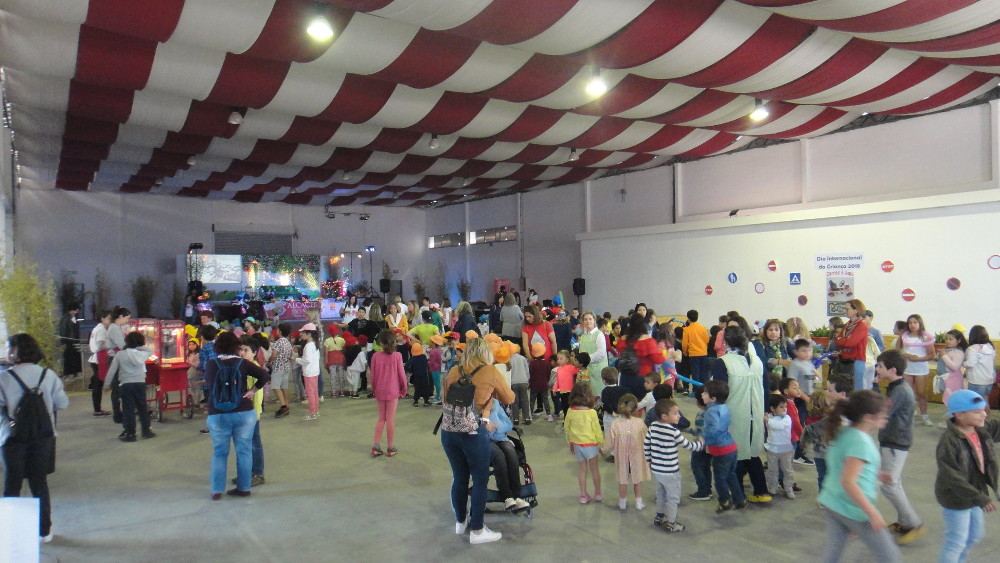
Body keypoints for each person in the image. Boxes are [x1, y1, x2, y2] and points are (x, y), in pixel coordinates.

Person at [440, 337, 514, 545]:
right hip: (474, 432)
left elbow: (445, 399)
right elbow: (509, 398)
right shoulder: (490, 371)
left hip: (449, 432)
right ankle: (478, 531)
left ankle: (460, 522)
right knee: (480, 480)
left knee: (459, 477)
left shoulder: (454, 371)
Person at [0, 333, 69, 543]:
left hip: (12, 438)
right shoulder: (48, 375)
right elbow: (63, 403)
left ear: (14, 351)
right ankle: (44, 531)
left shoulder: (3, 378)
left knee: (12, 482)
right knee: (39, 482)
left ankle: (11, 531)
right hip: (43, 437)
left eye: (8, 348)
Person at [818, 390, 901, 563]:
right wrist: (872, 513)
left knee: (832, 554)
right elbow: (848, 481)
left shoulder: (845, 433)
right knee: (891, 557)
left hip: (833, 501)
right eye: (883, 415)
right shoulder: (861, 442)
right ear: (868, 417)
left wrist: (876, 473)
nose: (886, 417)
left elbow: (844, 464)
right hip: (853, 509)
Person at [203, 331, 270, 500]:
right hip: (244, 412)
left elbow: (209, 385)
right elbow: (264, 375)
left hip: (218, 414)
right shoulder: (243, 363)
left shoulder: (211, 364)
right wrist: (252, 391)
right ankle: (244, 487)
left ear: (217, 347)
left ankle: (217, 490)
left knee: (219, 452)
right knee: (244, 451)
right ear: (237, 347)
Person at [935, 389, 1000, 563]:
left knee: (975, 535)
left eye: (983, 410)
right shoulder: (949, 441)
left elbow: (997, 427)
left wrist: (977, 496)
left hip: (973, 493)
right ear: (959, 415)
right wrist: (980, 498)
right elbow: (952, 476)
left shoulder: (980, 430)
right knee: (956, 542)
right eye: (977, 411)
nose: (984, 414)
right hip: (956, 497)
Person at [711, 326, 770, 503]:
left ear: (726, 342)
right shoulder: (757, 361)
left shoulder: (723, 362)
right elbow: (766, 387)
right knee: (752, 453)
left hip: (734, 415)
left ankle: (738, 494)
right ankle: (761, 491)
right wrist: (764, 410)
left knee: (735, 453)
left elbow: (719, 393)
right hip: (756, 412)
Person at [875, 349, 925, 544]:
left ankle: (914, 523)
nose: (877, 369)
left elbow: (882, 413)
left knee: (889, 485)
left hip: (896, 443)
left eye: (880, 366)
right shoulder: (895, 387)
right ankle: (905, 521)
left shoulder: (900, 391)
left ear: (893, 369)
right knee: (894, 483)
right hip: (891, 441)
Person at [644, 399, 704, 533]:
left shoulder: (653, 426)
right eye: (676, 413)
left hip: (657, 470)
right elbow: (689, 446)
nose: (679, 416)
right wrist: (701, 443)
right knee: (673, 498)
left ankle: (659, 517)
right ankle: (671, 523)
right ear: (665, 416)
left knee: (660, 494)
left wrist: (649, 460)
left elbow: (646, 444)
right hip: (671, 472)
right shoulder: (673, 432)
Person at [104, 331, 156, 442]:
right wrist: (139, 345)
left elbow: (112, 371)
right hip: (140, 384)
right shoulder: (141, 354)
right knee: (142, 408)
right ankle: (146, 431)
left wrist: (107, 384)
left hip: (126, 384)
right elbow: (150, 350)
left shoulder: (120, 354)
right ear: (140, 342)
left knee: (128, 409)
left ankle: (130, 434)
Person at [602, 393, 651, 511]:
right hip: (637, 456)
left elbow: (610, 441)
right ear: (635, 408)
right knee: (637, 479)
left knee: (622, 480)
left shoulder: (615, 424)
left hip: (622, 457)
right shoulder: (640, 423)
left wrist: (603, 450)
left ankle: (622, 502)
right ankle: (638, 502)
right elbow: (647, 439)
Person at [486, 399, 531, 513]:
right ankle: (507, 497)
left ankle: (516, 496)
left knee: (511, 452)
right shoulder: (474, 404)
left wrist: (497, 427)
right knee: (499, 456)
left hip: (500, 437)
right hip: (484, 440)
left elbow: (508, 424)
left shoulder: (495, 403)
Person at [370, 329, 408, 457]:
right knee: (390, 418)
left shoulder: (375, 356)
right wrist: (404, 388)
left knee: (381, 418)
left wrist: (374, 389)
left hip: (380, 390)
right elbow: (402, 375)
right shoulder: (397, 356)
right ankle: (390, 447)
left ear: (381, 343)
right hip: (393, 391)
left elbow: (373, 376)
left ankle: (376, 446)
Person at [565, 381, 603, 504]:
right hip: (591, 445)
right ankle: (597, 493)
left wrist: (570, 442)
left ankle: (583, 495)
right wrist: (601, 443)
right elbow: (597, 429)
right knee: (594, 469)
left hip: (577, 444)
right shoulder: (591, 412)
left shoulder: (570, 411)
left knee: (582, 470)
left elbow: (567, 428)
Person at [895, 313, 935, 425]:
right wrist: (906, 355)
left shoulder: (926, 337)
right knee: (908, 393)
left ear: (920, 323)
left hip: (920, 369)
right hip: (907, 368)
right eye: (910, 323)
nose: (912, 325)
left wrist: (919, 359)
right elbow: (897, 351)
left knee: (921, 393)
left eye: (915, 322)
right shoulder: (904, 337)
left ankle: (924, 415)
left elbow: (932, 355)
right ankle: (909, 413)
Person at [238, 335, 266, 487]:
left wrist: (255, 414)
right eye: (241, 350)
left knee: (255, 443)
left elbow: (257, 393)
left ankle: (258, 473)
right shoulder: (245, 366)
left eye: (246, 350)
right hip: (245, 412)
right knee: (246, 444)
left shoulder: (253, 368)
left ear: (254, 352)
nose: (242, 353)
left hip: (252, 413)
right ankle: (248, 473)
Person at [764, 395, 796, 499]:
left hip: (785, 450)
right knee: (772, 470)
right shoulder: (770, 416)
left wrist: (767, 420)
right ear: (773, 408)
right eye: (781, 407)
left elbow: (778, 426)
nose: (784, 409)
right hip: (772, 449)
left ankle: (788, 487)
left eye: (785, 406)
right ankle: (773, 486)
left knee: (787, 470)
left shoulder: (787, 418)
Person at [834, 299, 869, 391]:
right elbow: (837, 340)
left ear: (856, 310)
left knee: (855, 389)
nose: (845, 311)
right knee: (843, 388)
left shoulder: (861, 326)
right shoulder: (847, 325)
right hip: (844, 360)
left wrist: (842, 340)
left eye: (847, 308)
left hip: (856, 360)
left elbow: (851, 343)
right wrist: (843, 340)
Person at [105, 306, 131, 423]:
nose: (127, 321)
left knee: (117, 388)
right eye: (127, 318)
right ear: (120, 316)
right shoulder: (114, 328)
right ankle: (117, 414)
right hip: (115, 358)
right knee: (117, 389)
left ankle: (118, 413)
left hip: (115, 357)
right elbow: (122, 346)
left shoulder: (114, 327)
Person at [937, 329, 968, 424]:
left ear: (958, 341)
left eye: (951, 339)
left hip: (953, 380)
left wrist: (944, 355)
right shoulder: (947, 350)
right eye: (946, 339)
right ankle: (952, 421)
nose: (948, 341)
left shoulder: (959, 352)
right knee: (948, 402)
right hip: (944, 378)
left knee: (953, 401)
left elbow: (954, 367)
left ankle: (955, 422)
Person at [964, 325, 996, 413]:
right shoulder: (990, 347)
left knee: (976, 404)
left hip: (977, 380)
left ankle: (977, 423)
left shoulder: (973, 348)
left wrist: (963, 363)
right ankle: (985, 422)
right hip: (989, 380)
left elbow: (970, 363)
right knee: (985, 401)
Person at [577, 311, 608, 397]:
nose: (588, 321)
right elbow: (581, 351)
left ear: (594, 320)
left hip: (598, 370)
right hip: (586, 370)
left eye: (590, 319)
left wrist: (587, 359)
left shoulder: (599, 335)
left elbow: (601, 352)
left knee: (598, 394)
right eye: (585, 319)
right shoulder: (583, 336)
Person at [87, 309, 112, 416]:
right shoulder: (101, 330)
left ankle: (97, 409)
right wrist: (111, 345)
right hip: (98, 359)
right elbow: (101, 345)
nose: (110, 321)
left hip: (95, 359)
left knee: (97, 384)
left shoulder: (97, 328)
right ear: (102, 318)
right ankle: (97, 409)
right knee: (98, 385)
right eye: (108, 318)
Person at [295, 323, 320, 421]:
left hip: (309, 372)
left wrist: (296, 359)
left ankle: (312, 413)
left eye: (303, 333)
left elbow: (307, 360)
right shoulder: (314, 344)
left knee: (310, 393)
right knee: (314, 392)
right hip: (314, 371)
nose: (301, 334)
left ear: (309, 334)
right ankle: (315, 411)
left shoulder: (308, 346)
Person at [268, 323, 292, 417]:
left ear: (280, 331)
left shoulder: (278, 342)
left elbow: (274, 355)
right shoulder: (287, 342)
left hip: (278, 367)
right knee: (284, 386)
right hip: (286, 366)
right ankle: (286, 404)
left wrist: (269, 362)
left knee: (275, 386)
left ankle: (283, 406)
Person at [681, 309, 710, 388]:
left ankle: (696, 390)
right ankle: (704, 388)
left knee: (695, 373)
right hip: (703, 353)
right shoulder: (703, 328)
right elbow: (707, 340)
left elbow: (684, 344)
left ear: (688, 318)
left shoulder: (687, 330)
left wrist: (685, 352)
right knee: (703, 372)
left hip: (693, 354)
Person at [58, 304, 82, 380]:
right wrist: (63, 342)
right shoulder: (65, 318)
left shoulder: (73, 317)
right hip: (68, 342)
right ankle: (68, 374)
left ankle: (74, 373)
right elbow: (63, 331)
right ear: (71, 310)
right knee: (68, 358)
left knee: (74, 357)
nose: (76, 312)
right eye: (75, 310)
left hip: (74, 341)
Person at [407, 341, 432, 407]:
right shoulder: (423, 356)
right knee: (425, 388)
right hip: (424, 376)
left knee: (417, 388)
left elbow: (406, 366)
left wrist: (410, 370)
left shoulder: (412, 359)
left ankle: (416, 401)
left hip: (416, 376)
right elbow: (426, 364)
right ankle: (426, 401)